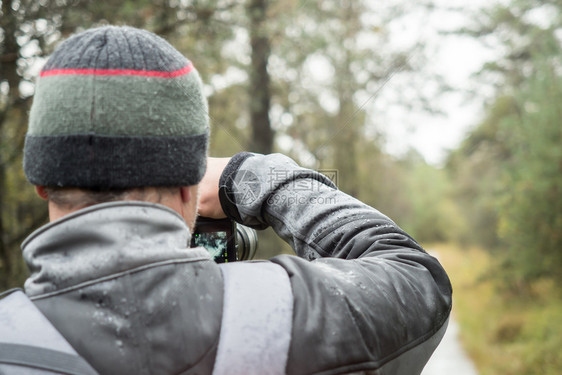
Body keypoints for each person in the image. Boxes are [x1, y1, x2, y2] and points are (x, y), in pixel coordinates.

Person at [10, 25, 452, 374]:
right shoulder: (287, 318)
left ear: (42, 184)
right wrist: (248, 176)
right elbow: (417, 276)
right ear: (190, 182)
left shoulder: (10, 338)